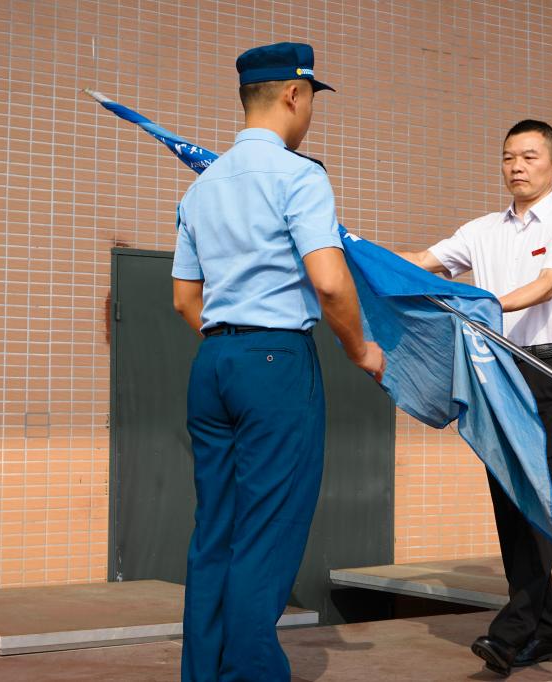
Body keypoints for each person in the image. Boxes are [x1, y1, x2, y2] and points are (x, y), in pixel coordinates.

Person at [171, 42, 385, 682]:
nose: (311, 111)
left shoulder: (202, 186)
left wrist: (230, 342)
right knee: (268, 531)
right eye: (312, 97)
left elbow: (184, 299)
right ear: (294, 94)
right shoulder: (300, 176)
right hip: (276, 361)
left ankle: (204, 673)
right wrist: (360, 349)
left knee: (216, 530)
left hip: (214, 360)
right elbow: (330, 281)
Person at [399, 119, 552, 676]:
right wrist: (349, 250)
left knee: (540, 502)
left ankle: (510, 633)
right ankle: (548, 634)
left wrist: (483, 305)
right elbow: (422, 261)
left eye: (530, 157)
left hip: (549, 373)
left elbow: (547, 285)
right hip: (495, 374)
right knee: (511, 505)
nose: (517, 166)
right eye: (509, 157)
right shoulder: (480, 230)